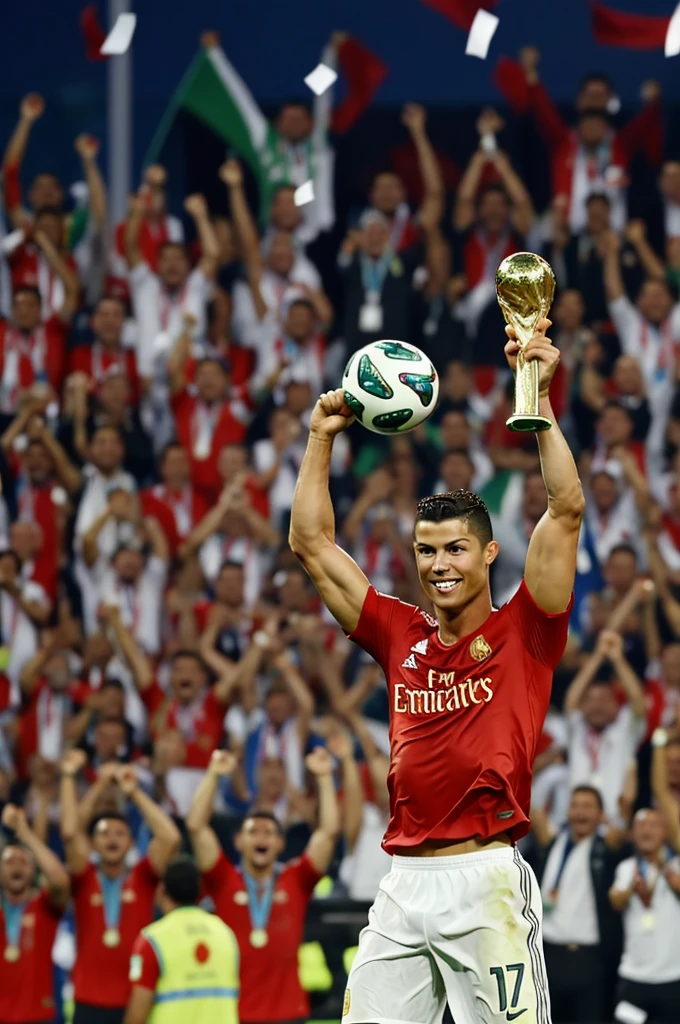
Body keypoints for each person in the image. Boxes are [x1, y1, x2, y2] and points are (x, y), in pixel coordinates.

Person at [288, 316, 585, 1024]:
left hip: (484, 881)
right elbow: (309, 543)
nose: (439, 566)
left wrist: (536, 404)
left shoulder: (527, 629)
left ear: (486, 555)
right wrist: (321, 437)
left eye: (454, 550)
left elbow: (566, 510)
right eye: (426, 553)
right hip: (401, 885)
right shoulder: (399, 632)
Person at [187, 746, 340, 1024]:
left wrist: (326, 777)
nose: (261, 838)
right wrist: (212, 774)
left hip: (290, 1013)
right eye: (253, 832)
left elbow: (328, 834)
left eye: (269, 833)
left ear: (280, 844)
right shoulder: (223, 879)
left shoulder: (296, 879)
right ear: (238, 842)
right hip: (234, 1014)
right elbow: (196, 827)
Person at [60, 749, 181, 1024]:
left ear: (130, 844)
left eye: (119, 834)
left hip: (134, 999)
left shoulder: (142, 876)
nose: (111, 839)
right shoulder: (84, 875)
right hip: (87, 999)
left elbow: (170, 838)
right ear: (93, 844)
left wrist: (134, 792)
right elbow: (69, 832)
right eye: (103, 834)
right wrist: (88, 781)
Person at [531, 786, 626, 1024]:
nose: (580, 812)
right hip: (547, 957)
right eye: (575, 806)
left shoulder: (606, 850)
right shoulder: (553, 842)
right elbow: (535, 816)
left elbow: (623, 834)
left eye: (588, 807)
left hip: (587, 961)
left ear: (600, 815)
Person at [124, 857, 239, 1024]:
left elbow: (138, 1013)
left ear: (162, 890)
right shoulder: (226, 933)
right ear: (200, 891)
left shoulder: (152, 940)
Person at [0, 802, 70, 1024]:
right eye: (9, 862)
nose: (17, 867)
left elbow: (60, 880)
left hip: (38, 1016)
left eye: (24, 863)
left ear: (33, 872)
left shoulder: (44, 906)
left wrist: (25, 833)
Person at [609, 808, 680, 1024]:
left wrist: (664, 869)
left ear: (664, 832)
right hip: (634, 979)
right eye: (641, 824)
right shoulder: (626, 868)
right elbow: (615, 901)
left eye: (653, 825)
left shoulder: (676, 865)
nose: (646, 830)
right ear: (631, 834)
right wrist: (632, 887)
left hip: (673, 979)